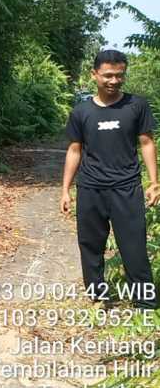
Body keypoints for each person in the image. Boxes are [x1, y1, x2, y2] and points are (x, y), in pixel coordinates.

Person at [60, 49, 160, 308]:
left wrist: (154, 182)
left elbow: (147, 142)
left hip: (127, 187)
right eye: (108, 75)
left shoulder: (136, 105)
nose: (114, 81)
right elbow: (74, 150)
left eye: (119, 75)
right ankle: (98, 297)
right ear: (94, 75)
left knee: (134, 247)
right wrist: (65, 190)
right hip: (91, 188)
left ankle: (145, 304)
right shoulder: (81, 112)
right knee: (91, 246)